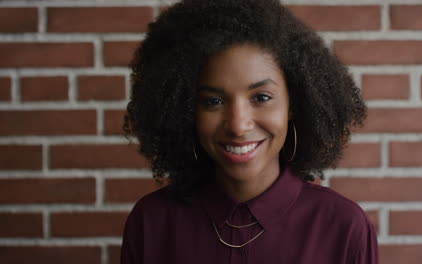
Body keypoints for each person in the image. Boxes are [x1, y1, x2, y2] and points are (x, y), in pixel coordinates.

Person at [121, 0, 378, 263]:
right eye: (213, 101)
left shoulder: (344, 228)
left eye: (262, 97)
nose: (237, 125)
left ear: (294, 104)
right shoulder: (152, 223)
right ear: (185, 111)